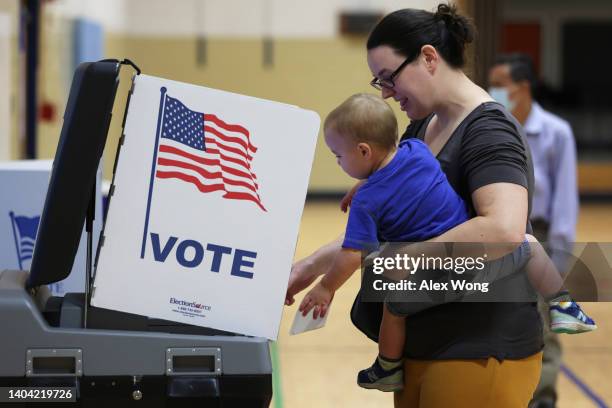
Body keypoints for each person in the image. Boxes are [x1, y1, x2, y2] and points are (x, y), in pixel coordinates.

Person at [286, 4, 543, 407]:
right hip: (426, 343)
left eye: (389, 78)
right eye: (379, 82)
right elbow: (375, 229)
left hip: (479, 347)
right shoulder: (422, 127)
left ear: (427, 58)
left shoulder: (488, 129)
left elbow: (504, 229)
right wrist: (307, 268)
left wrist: (408, 258)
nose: (386, 93)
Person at [297, 93, 595, 392]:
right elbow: (393, 168)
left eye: (338, 155)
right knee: (529, 244)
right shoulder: (416, 150)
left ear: (363, 151)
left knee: (394, 305)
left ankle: (387, 365)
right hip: (477, 256)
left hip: (438, 274)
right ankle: (564, 305)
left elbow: (352, 254)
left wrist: (325, 287)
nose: (337, 162)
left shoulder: (367, 201)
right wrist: (365, 181)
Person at [489, 53, 581, 408]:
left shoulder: (556, 132)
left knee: (546, 319)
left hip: (540, 236)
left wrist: (560, 253)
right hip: (498, 237)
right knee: (498, 316)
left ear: (522, 87)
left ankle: (542, 398)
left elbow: (565, 199)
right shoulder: (493, 125)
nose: (492, 90)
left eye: (499, 83)